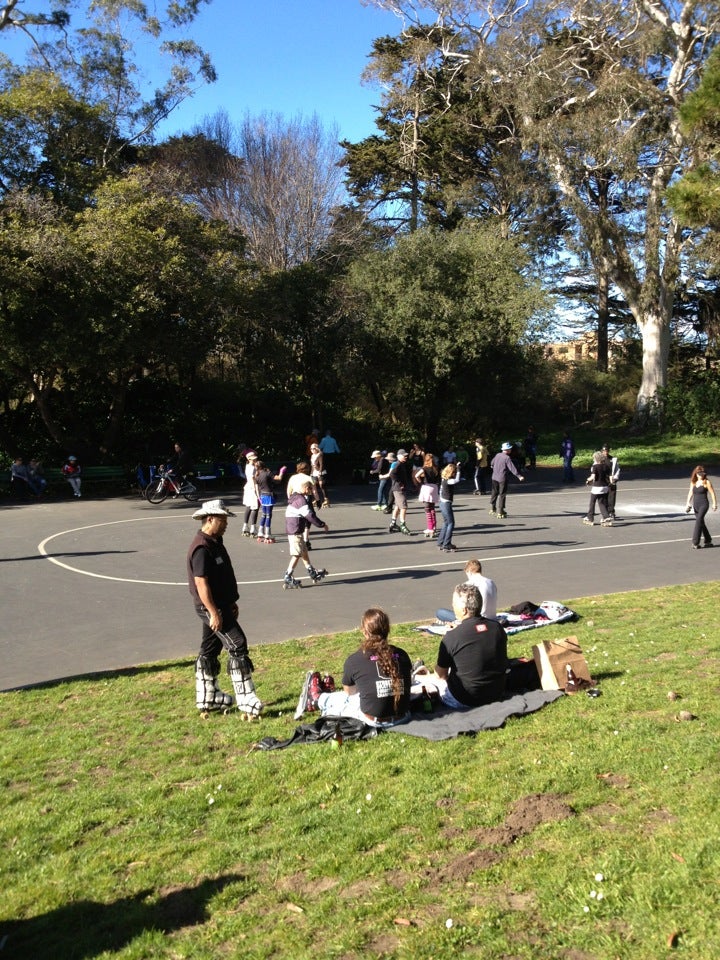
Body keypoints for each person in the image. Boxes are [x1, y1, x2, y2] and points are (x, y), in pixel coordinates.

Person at [187, 499, 263, 717]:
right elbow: (201, 583)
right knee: (237, 644)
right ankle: (246, 698)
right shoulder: (201, 548)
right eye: (223, 519)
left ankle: (207, 696)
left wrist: (230, 601)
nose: (226, 523)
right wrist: (214, 612)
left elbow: (222, 578)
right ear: (210, 519)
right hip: (212, 607)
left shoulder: (215, 541)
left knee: (210, 648)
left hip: (222, 605)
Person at [294, 608, 412, 727]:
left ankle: (318, 699)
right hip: (403, 717)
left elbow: (349, 692)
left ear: (364, 632)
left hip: (373, 720)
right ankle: (320, 698)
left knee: (347, 699)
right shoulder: (402, 654)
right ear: (387, 630)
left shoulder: (355, 660)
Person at [419, 584, 507, 709]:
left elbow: (440, 675)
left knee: (432, 681)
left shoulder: (452, 637)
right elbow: (478, 636)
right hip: (496, 693)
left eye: (454, 604)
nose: (453, 607)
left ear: (464, 610)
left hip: (465, 699)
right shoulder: (497, 628)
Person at [282, 479, 330, 587]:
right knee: (296, 554)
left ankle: (311, 571)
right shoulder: (301, 500)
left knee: (304, 551)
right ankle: (288, 576)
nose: (312, 492)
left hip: (294, 529)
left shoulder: (296, 497)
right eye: (310, 489)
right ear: (306, 488)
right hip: (295, 531)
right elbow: (309, 516)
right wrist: (322, 524)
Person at [254, 460, 287, 543]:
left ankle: (260, 532)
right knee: (269, 515)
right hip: (269, 495)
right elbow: (279, 479)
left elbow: (256, 488)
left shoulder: (256, 475)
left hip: (262, 496)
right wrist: (281, 472)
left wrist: (259, 498)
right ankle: (267, 534)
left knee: (264, 515)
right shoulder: (267, 473)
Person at [489, 442, 524, 519]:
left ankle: (492, 508)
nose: (511, 450)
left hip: (494, 477)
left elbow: (492, 463)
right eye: (510, 449)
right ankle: (500, 511)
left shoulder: (497, 455)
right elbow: (512, 468)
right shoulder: (507, 458)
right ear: (507, 450)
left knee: (494, 492)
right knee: (502, 494)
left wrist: (493, 466)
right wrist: (519, 476)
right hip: (502, 478)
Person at [685, 465, 717, 549]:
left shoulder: (706, 482)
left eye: (702, 473)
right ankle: (708, 540)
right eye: (699, 473)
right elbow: (690, 493)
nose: (701, 475)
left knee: (698, 521)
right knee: (701, 523)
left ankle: (695, 542)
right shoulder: (693, 482)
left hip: (704, 504)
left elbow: (712, 493)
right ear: (696, 473)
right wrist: (687, 503)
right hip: (696, 505)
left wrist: (714, 504)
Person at [414, 452, 440, 538]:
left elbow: (416, 476)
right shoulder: (436, 468)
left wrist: (420, 482)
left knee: (427, 509)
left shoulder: (424, 468)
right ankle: (434, 527)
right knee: (432, 508)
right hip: (434, 487)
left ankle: (430, 528)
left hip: (427, 487)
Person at [388, 448, 414, 535]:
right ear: (399, 456)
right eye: (404, 456)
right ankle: (403, 525)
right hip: (398, 489)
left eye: (406, 455)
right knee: (404, 507)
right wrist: (400, 483)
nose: (406, 457)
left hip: (397, 488)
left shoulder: (401, 464)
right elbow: (392, 474)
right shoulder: (398, 464)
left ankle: (393, 523)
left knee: (397, 507)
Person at [437, 461, 462, 552]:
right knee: (451, 523)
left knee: (446, 523)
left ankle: (440, 541)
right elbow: (457, 480)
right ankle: (446, 544)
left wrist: (456, 466)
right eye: (454, 472)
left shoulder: (443, 479)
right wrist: (459, 470)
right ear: (452, 473)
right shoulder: (448, 481)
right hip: (446, 503)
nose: (455, 474)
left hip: (442, 503)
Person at [582, 451, 612, 526]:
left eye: (593, 458)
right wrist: (612, 483)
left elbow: (593, 477)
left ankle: (590, 518)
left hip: (597, 487)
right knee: (601, 503)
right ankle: (606, 517)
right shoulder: (606, 466)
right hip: (605, 487)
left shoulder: (595, 467)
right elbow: (611, 477)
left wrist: (588, 480)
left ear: (596, 459)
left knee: (592, 502)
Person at [240, 450, 259, 537]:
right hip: (252, 488)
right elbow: (254, 480)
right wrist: (257, 491)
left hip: (248, 487)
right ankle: (253, 528)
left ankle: (245, 527)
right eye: (252, 459)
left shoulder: (247, 466)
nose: (254, 460)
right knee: (255, 508)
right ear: (249, 459)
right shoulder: (252, 468)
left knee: (248, 507)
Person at [601, 443, 620, 519]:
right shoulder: (600, 460)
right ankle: (605, 512)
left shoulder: (612, 459)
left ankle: (611, 512)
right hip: (603, 481)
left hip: (611, 480)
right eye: (604, 451)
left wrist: (615, 478)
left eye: (606, 451)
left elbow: (617, 469)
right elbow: (594, 469)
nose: (605, 452)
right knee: (604, 497)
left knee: (612, 497)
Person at [309, 442, 329, 509]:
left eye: (313, 448)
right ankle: (317, 500)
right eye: (311, 448)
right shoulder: (312, 456)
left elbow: (321, 464)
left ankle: (326, 499)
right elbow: (312, 465)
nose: (312, 450)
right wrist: (311, 473)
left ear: (317, 448)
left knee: (321, 485)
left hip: (320, 472)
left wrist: (320, 472)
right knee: (313, 486)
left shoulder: (320, 454)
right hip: (314, 472)